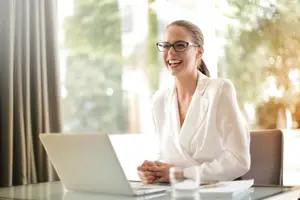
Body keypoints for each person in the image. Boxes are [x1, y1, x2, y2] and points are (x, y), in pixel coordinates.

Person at [137, 20, 250, 184]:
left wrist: (182, 173)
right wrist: (153, 172)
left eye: (180, 45)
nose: (171, 52)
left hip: (216, 193)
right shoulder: (159, 100)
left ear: (199, 52)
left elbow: (239, 161)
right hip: (177, 194)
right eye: (166, 45)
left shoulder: (220, 90)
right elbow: (166, 155)